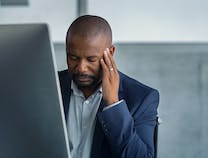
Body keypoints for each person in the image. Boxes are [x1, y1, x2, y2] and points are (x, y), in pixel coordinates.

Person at [59, 15, 159, 158]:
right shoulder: (49, 86)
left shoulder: (142, 98)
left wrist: (113, 103)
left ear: (110, 53)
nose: (81, 68)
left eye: (91, 59)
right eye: (73, 58)